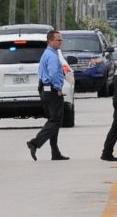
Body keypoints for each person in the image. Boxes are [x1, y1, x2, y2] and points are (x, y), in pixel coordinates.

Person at [26, 30, 69, 161]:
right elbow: (53, 74)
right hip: (52, 90)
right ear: (50, 41)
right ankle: (35, 143)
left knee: (53, 120)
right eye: (58, 40)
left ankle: (55, 152)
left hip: (46, 89)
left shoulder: (50, 53)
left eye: (61, 40)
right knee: (56, 120)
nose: (60, 42)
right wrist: (58, 88)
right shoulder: (51, 56)